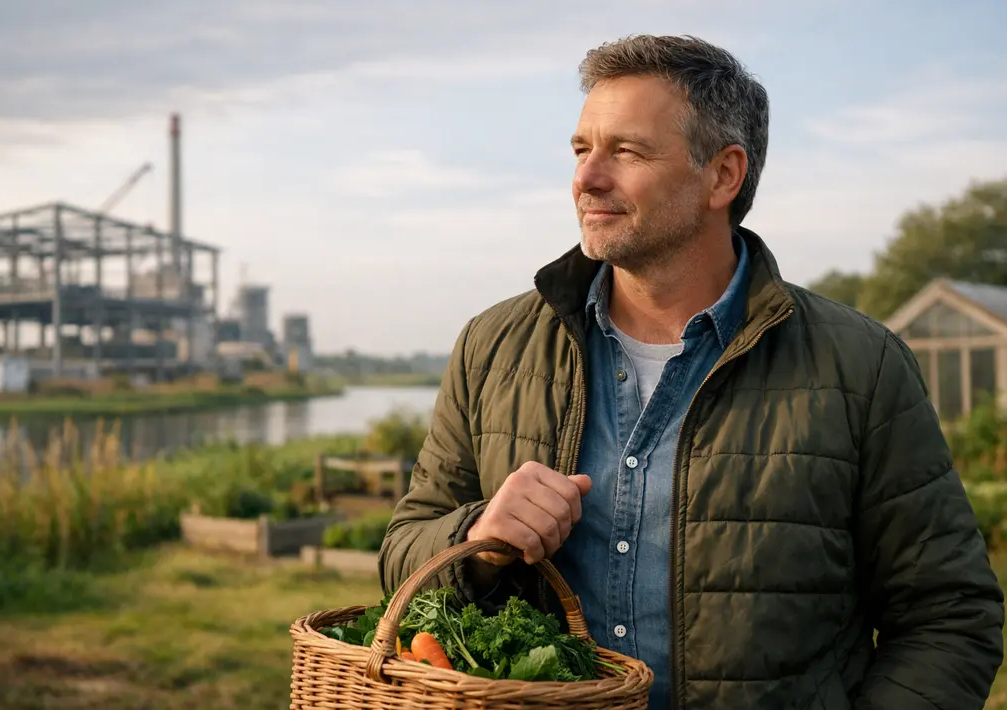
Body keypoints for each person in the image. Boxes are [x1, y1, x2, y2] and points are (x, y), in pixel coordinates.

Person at [378, 34, 1005, 710]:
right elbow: (400, 557)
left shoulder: (862, 365)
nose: (586, 178)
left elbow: (948, 616)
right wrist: (477, 541)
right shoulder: (493, 346)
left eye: (625, 151)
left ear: (722, 176)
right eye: (582, 149)